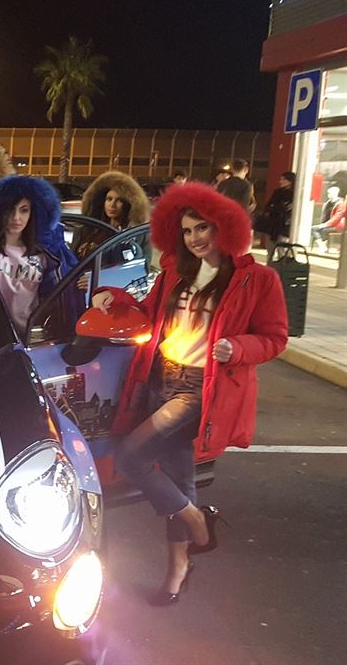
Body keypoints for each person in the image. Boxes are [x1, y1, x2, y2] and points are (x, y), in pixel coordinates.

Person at [90, 182, 287, 606]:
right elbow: (147, 313)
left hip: (201, 388)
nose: (195, 238)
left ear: (225, 227)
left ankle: (198, 522)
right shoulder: (175, 274)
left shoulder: (257, 279)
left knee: (130, 457)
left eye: (203, 228)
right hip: (161, 378)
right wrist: (114, 297)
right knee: (180, 480)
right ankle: (178, 568)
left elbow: (275, 338)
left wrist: (238, 348)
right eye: (186, 230)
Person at [0, 175, 79, 338]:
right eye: (10, 209)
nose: (16, 218)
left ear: (33, 213)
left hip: (30, 336)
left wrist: (96, 291)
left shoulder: (47, 252)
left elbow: (72, 281)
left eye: (24, 210)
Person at [72, 170, 151, 259]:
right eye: (109, 199)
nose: (112, 205)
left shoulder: (137, 235)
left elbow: (143, 263)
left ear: (128, 204)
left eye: (119, 200)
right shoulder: (87, 230)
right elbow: (71, 260)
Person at [254, 171, 295, 261]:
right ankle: (270, 265)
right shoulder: (277, 192)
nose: (280, 181)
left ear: (290, 181)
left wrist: (277, 207)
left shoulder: (295, 194)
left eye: (283, 179)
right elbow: (268, 206)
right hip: (272, 224)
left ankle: (280, 266)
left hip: (284, 225)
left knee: (282, 248)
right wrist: (279, 208)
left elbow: (278, 207)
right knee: (270, 249)